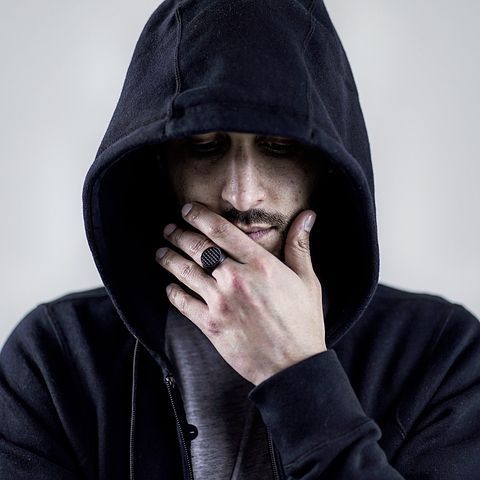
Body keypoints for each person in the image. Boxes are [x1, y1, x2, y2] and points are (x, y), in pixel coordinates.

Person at [1, 0, 479, 478]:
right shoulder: (56, 357)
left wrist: (298, 374)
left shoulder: (441, 355)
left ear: (326, 161)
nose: (242, 194)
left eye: (280, 147)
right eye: (205, 146)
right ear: (160, 160)